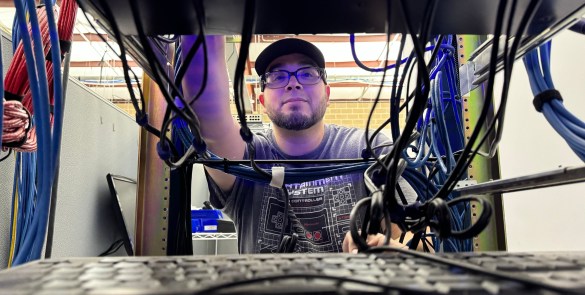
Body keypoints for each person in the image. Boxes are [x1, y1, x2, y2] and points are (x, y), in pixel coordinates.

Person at [182, 36, 418, 254]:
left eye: (307, 73)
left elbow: (417, 237)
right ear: (262, 102)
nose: (293, 84)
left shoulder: (369, 147)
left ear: (327, 94)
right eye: (277, 76)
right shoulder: (249, 156)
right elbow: (207, 111)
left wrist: (395, 250)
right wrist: (206, 19)